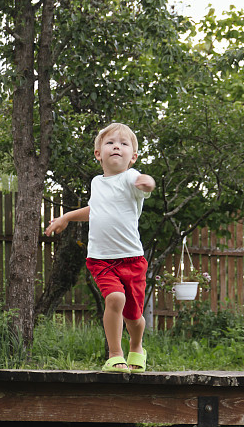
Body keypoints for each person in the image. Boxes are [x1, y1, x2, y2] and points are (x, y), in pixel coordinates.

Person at [45, 122, 155, 373]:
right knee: (115, 298)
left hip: (132, 260)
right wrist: (66, 217)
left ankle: (136, 347)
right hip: (101, 259)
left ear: (132, 157)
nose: (117, 146)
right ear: (99, 154)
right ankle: (115, 355)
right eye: (110, 143)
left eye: (124, 144)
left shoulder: (130, 178)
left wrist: (147, 182)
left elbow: (142, 180)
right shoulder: (97, 182)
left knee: (134, 317)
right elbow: (95, 210)